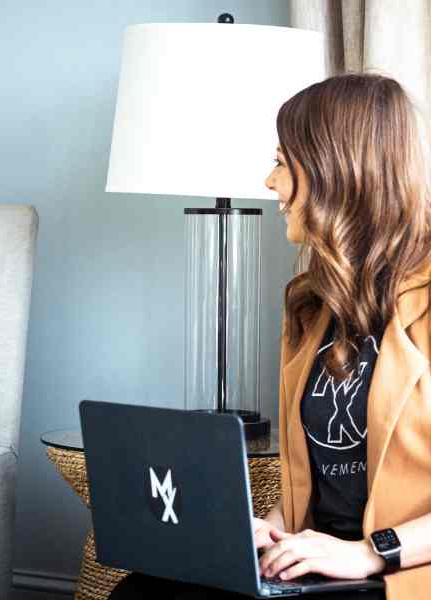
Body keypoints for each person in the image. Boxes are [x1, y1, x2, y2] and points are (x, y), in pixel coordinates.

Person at [111, 72, 431, 599]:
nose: (268, 181)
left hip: (398, 575)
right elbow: (316, 484)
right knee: (140, 591)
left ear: (335, 171)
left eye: (282, 162)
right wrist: (268, 531)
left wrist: (367, 553)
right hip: (321, 567)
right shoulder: (311, 304)